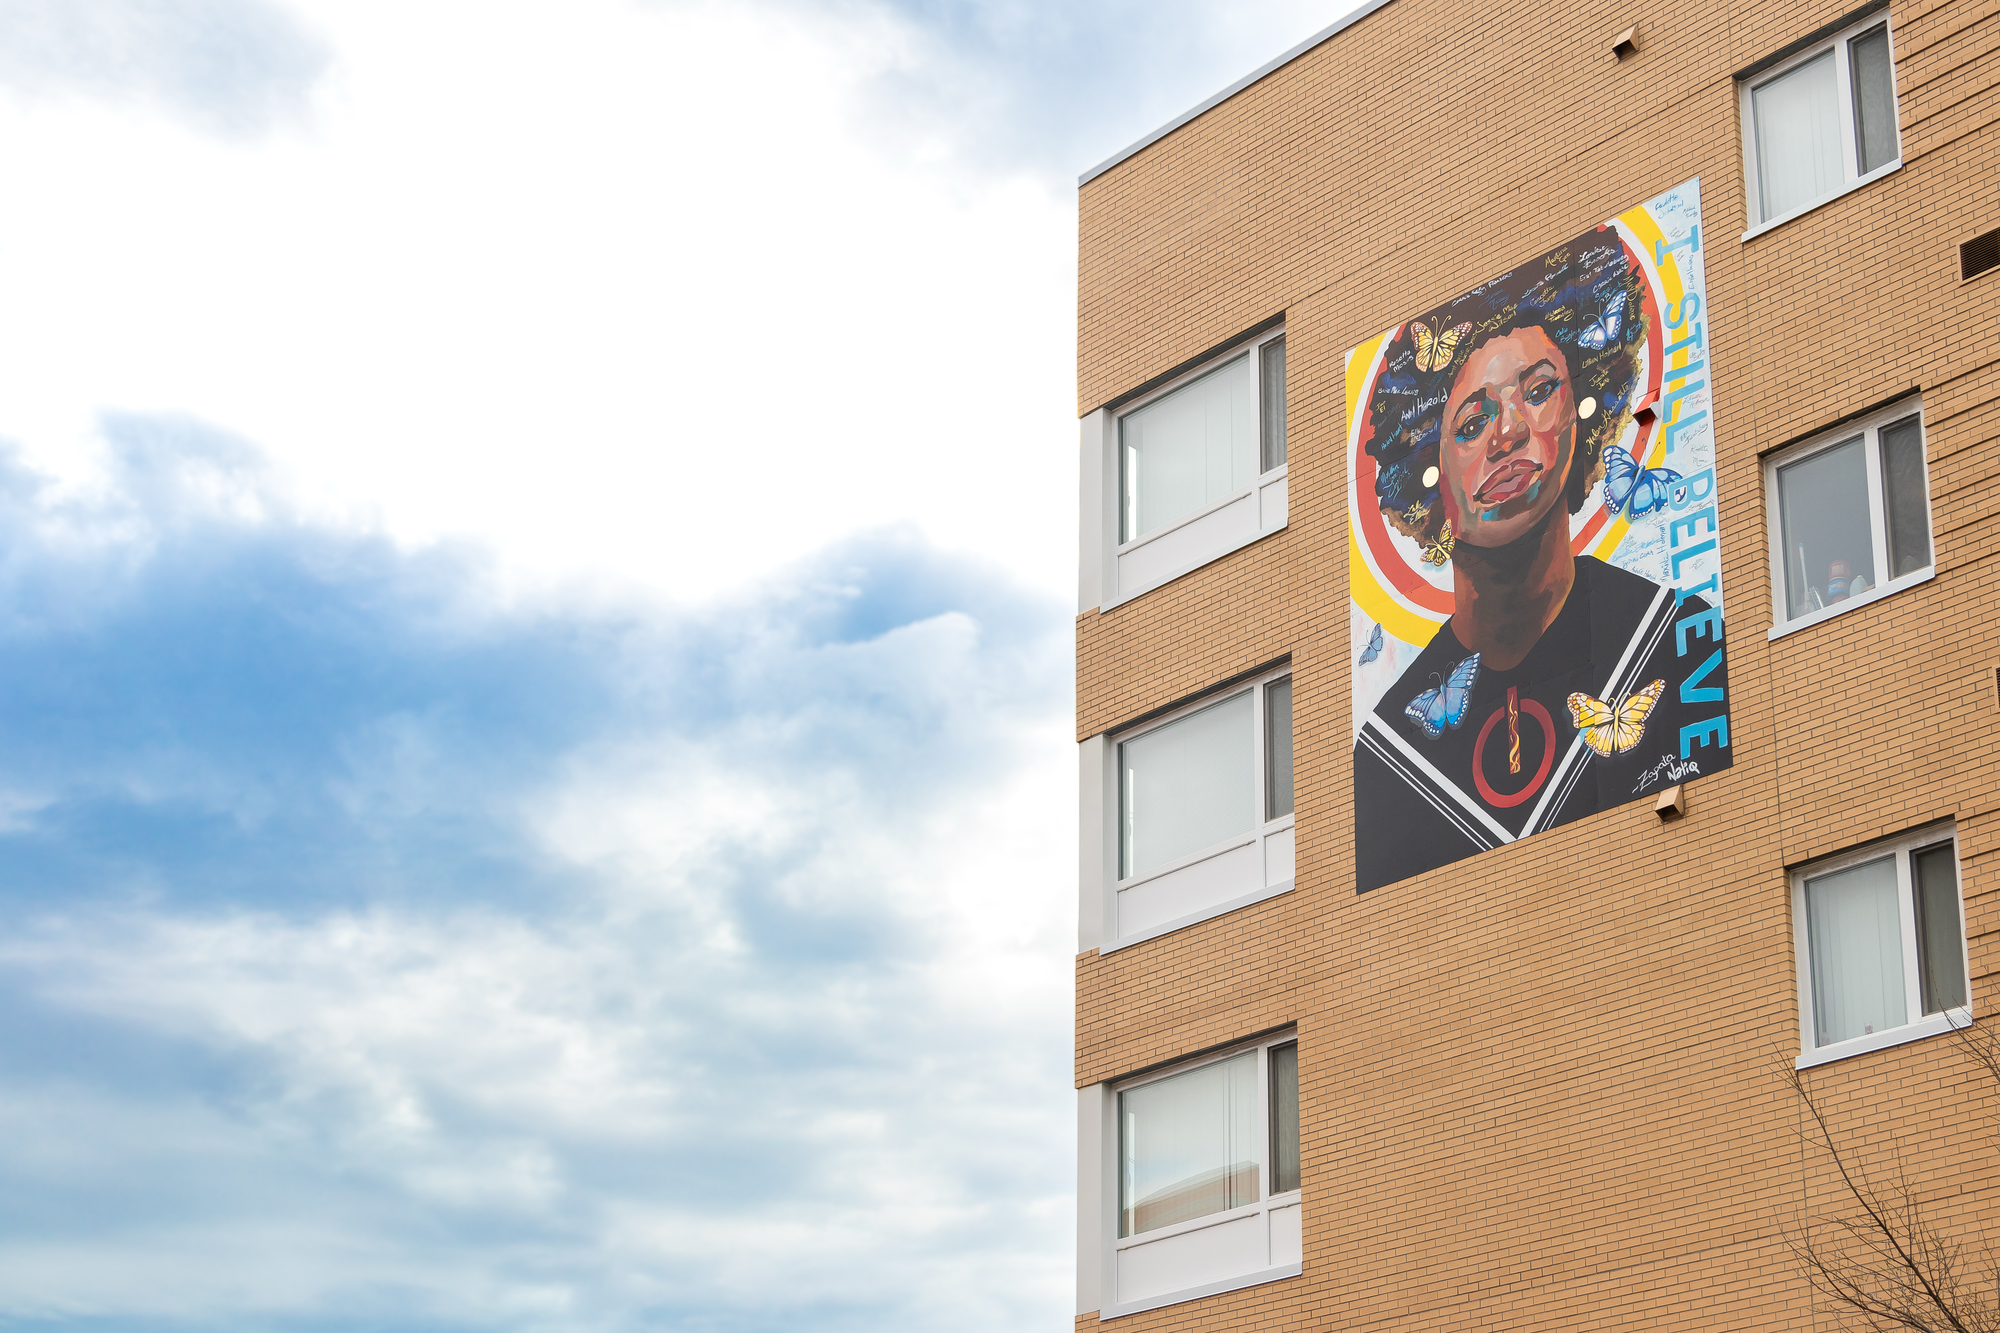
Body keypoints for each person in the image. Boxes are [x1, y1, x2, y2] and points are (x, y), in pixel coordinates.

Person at [1351, 229, 1725, 893]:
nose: (1509, 432)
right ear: (1428, 481)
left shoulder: (1680, 644)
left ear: (1585, 415)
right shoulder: (1387, 761)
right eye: (1472, 424)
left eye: (1540, 390)